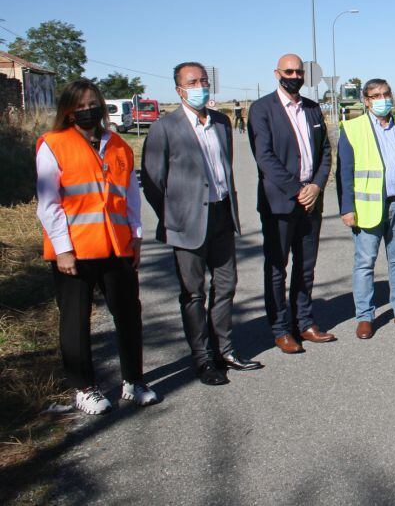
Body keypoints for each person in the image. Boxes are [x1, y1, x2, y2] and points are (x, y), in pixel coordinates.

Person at [35, 79, 159, 415]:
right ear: (68, 111)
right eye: (80, 105)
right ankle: (84, 388)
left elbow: (129, 197)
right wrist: (62, 249)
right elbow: (48, 203)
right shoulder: (53, 144)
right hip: (75, 252)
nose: (87, 109)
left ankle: (134, 381)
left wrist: (135, 237)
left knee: (129, 316)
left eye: (93, 103)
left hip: (117, 248)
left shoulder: (118, 145)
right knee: (75, 321)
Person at [142, 62, 262, 386]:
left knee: (226, 286)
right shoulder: (164, 128)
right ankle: (203, 358)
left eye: (203, 80)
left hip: (222, 214)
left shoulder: (222, 122)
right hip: (187, 223)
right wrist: (173, 216)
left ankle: (225, 349)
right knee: (193, 293)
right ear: (179, 89)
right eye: (193, 82)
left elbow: (225, 167)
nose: (200, 86)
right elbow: (153, 182)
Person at [247, 54, 336, 354]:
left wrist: (316, 186)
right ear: (277, 73)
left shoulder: (312, 109)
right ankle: (281, 329)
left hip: (311, 203)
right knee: (277, 268)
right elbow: (265, 157)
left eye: (299, 71)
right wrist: (298, 189)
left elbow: (325, 151)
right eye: (289, 71)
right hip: (280, 203)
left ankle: (305, 322)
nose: (295, 75)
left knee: (306, 267)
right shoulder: (262, 109)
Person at [337, 78, 395, 339]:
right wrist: (347, 208)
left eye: (386, 94)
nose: (382, 99)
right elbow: (344, 172)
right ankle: (365, 316)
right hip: (368, 208)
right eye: (375, 95)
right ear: (366, 101)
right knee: (365, 263)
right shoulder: (352, 128)